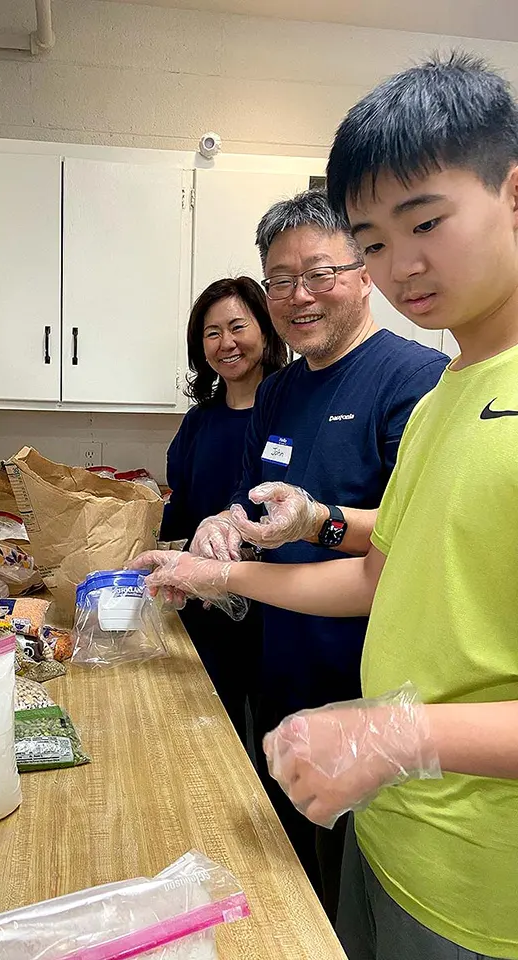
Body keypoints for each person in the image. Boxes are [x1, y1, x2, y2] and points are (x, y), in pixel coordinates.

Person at [136, 53, 518, 960]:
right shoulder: (449, 395)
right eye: (377, 239)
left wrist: (394, 732)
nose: (403, 264)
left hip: (485, 885)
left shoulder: (412, 378)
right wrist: (278, 537)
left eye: (426, 221)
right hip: (392, 832)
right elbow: (391, 571)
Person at [144, 190, 448, 919]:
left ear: (366, 270)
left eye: (320, 273)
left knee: (354, 901)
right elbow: (252, 501)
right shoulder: (278, 391)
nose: (298, 295)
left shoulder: (413, 380)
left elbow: (419, 533)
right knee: (290, 883)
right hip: (281, 671)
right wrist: (222, 523)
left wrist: (318, 521)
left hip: (370, 690)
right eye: (280, 279)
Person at [160, 277, 287, 745]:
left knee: (279, 750)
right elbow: (182, 506)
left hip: (280, 608)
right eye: (212, 333)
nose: (226, 343)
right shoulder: (200, 421)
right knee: (212, 738)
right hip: (206, 605)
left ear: (267, 329)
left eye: (238, 326)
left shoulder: (292, 413)